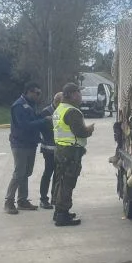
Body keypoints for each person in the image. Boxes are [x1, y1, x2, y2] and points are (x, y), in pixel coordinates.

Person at [4, 82, 51, 215]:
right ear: (29, 92)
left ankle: (22, 200)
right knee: (19, 173)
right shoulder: (19, 106)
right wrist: (44, 121)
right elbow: (24, 125)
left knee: (26, 172)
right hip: (20, 144)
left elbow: (34, 119)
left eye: (39, 94)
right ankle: (9, 201)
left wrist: (43, 119)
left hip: (30, 143)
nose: (38, 96)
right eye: (37, 93)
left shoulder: (31, 105)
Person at [52, 82, 95, 226]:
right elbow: (80, 132)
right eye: (78, 92)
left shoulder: (59, 109)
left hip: (60, 149)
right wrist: (89, 130)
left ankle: (58, 211)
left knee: (60, 181)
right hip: (70, 152)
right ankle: (62, 215)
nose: (81, 96)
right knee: (67, 183)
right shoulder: (72, 111)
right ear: (71, 95)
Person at [38, 91, 62, 210]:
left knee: (58, 174)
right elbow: (44, 130)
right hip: (48, 149)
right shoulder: (46, 112)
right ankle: (43, 199)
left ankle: (55, 197)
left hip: (59, 148)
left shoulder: (60, 111)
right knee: (48, 173)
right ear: (56, 101)